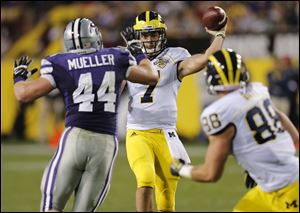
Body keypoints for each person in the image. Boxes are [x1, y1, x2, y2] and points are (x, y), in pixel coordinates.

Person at [13, 18, 159, 212]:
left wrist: (19, 76)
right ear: (95, 37)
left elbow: (23, 94)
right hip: (105, 144)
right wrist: (136, 50)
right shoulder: (117, 56)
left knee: (52, 207)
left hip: (75, 138)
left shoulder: (59, 62)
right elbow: (152, 76)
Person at [170, 49, 299, 212]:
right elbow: (282, 121)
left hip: (289, 189)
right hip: (274, 185)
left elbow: (210, 174)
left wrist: (181, 169)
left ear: (211, 78)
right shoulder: (256, 90)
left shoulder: (218, 112)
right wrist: (259, 164)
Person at [123, 10, 227, 212]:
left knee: (167, 199)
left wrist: (220, 35)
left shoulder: (175, 56)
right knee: (144, 179)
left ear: (162, 34)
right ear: (138, 37)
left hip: (166, 133)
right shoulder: (126, 56)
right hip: (138, 130)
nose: (150, 39)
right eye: (145, 35)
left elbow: (206, 58)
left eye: (154, 34)